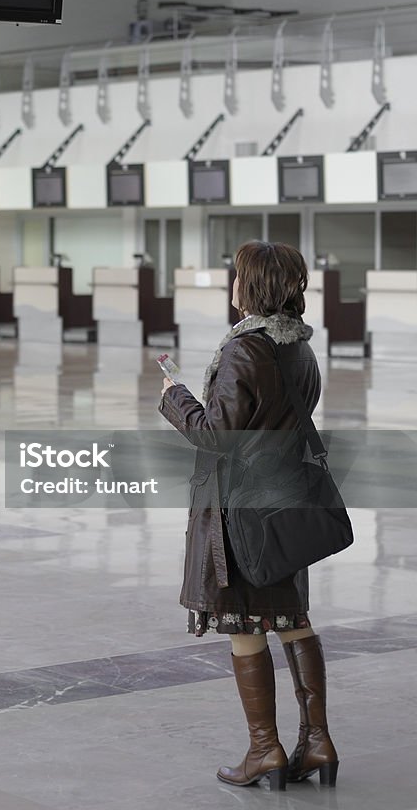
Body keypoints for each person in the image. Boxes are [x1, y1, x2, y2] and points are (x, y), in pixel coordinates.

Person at [159, 240, 338, 791]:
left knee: (243, 623)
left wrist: (176, 397)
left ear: (253, 286)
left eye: (237, 276)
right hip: (285, 508)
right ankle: (317, 742)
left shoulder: (244, 350)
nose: (231, 285)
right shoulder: (301, 350)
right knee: (291, 618)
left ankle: (264, 750)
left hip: (241, 514)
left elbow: (218, 437)